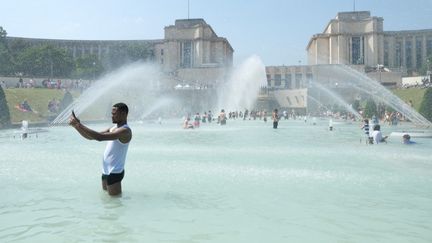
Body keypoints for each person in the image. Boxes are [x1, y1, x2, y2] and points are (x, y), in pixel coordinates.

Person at [69, 103, 132, 196]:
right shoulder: (113, 128)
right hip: (106, 170)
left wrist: (79, 124)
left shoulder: (125, 131)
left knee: (115, 205)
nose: (112, 116)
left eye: (114, 113)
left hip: (115, 172)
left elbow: (100, 137)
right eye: (112, 113)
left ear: (123, 114)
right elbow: (90, 137)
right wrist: (77, 126)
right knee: (108, 203)